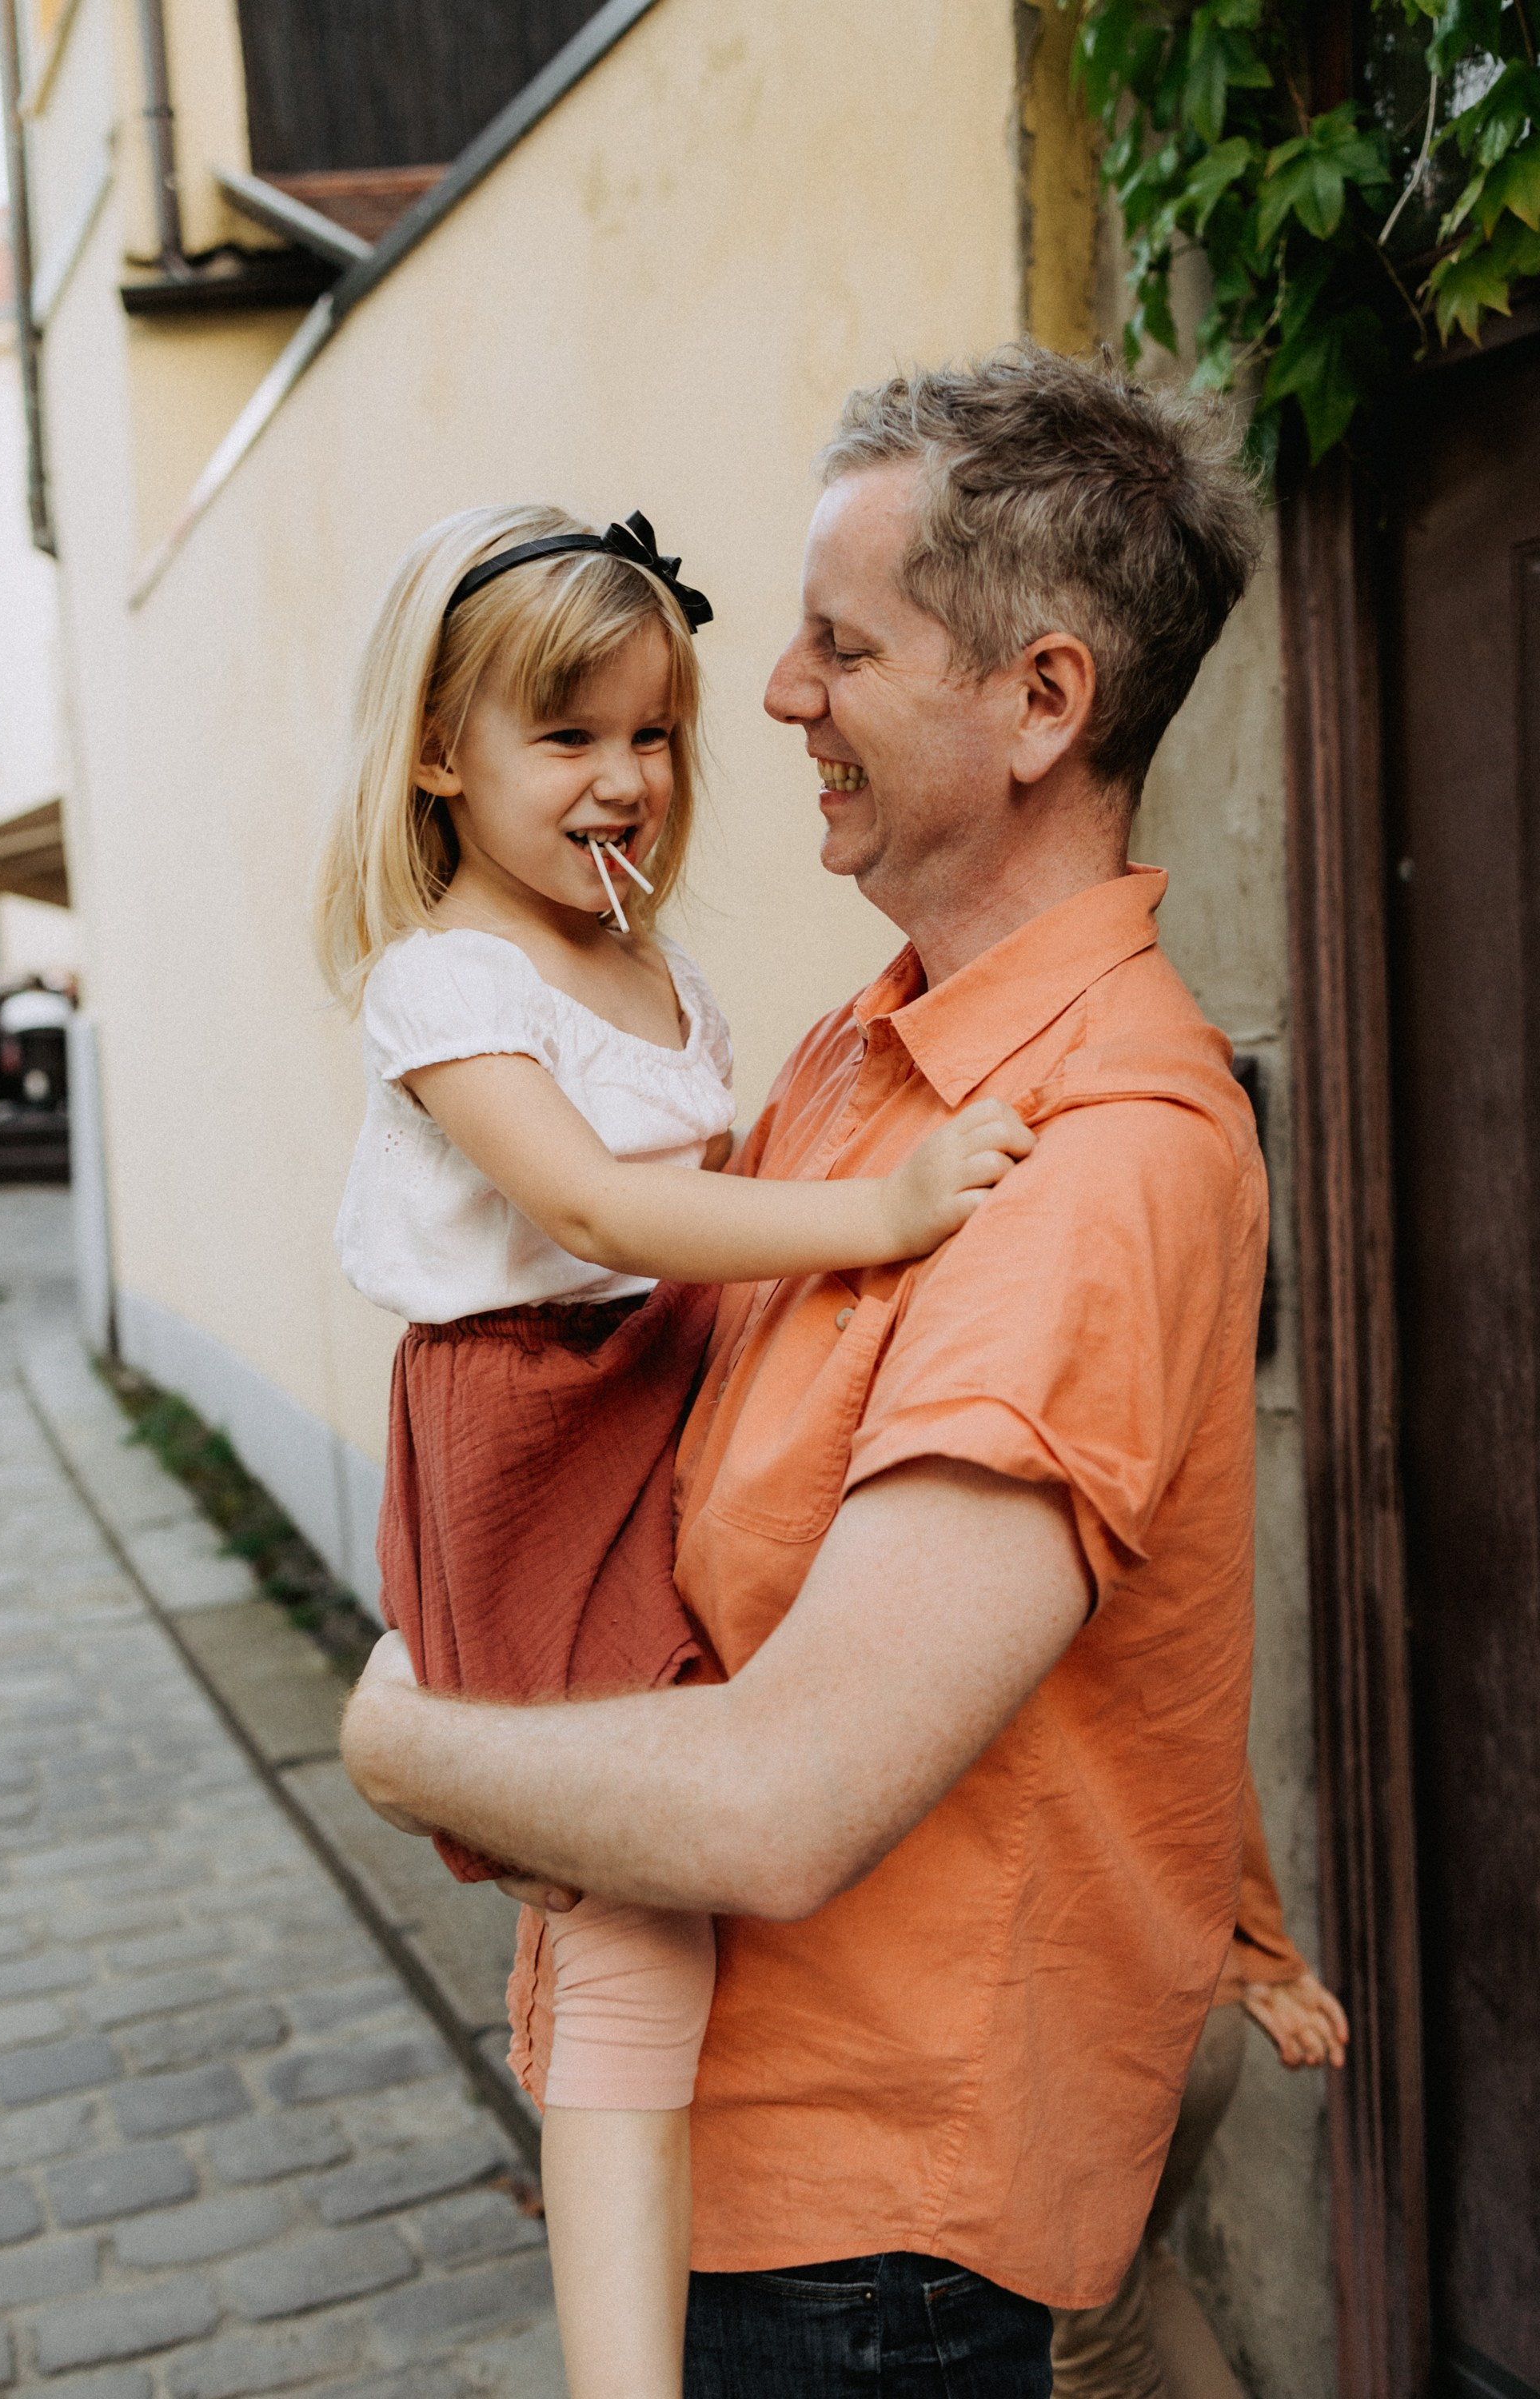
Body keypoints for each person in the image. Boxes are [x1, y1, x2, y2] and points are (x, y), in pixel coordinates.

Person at [340, 345, 1269, 2397]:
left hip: (868, 2245)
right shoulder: (868, 1050)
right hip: (746, 2168)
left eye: (837, 648)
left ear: (1040, 703)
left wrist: (406, 1743)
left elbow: (781, 1802)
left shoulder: (1091, 1153)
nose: (766, 702)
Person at [313, 501, 1030, 2399]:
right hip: (535, 1429)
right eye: (567, 738)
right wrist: (879, 1215)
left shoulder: (657, 967)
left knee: (734, 1796)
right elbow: (603, 1213)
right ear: (437, 756)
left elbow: (699, 1212)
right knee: (632, 1909)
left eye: (652, 733)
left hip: (661, 1385)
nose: (624, 779)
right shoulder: (446, 982)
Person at [1050, 1770, 1349, 2397]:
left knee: (1093, 2363)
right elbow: (1216, 1756)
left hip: (1085, 2027)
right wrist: (1263, 1949)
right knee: (1141, 2280)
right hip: (1202, 2012)